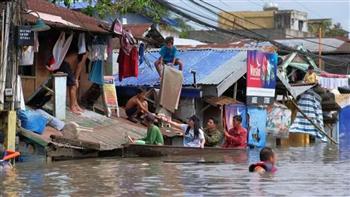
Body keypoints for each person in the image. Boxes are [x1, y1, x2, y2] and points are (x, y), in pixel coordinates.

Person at [47, 48, 88, 115]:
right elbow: (79, 66)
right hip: (63, 64)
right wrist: (76, 79)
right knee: (73, 85)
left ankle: (75, 105)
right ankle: (73, 107)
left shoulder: (81, 50)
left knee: (73, 85)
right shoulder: (84, 53)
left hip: (62, 63)